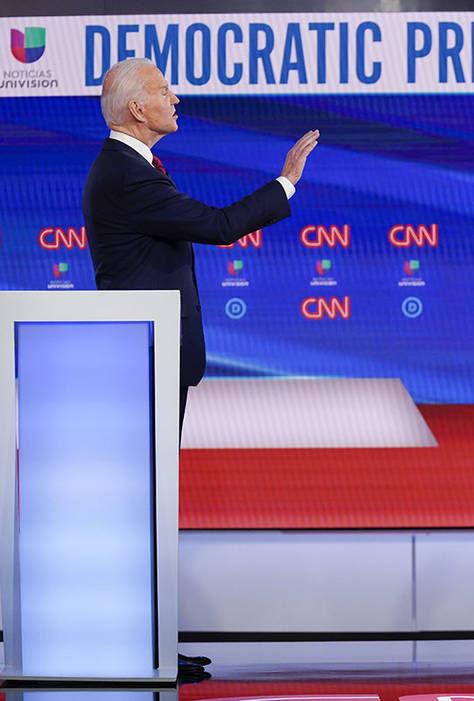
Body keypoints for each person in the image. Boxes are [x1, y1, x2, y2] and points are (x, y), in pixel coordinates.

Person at [82, 57, 319, 676]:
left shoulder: (133, 169)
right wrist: (286, 184)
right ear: (137, 108)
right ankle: (138, 647)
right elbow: (217, 226)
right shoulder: (126, 176)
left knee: (150, 508)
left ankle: (149, 645)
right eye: (164, 91)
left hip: (153, 361)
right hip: (144, 362)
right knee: (143, 510)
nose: (175, 98)